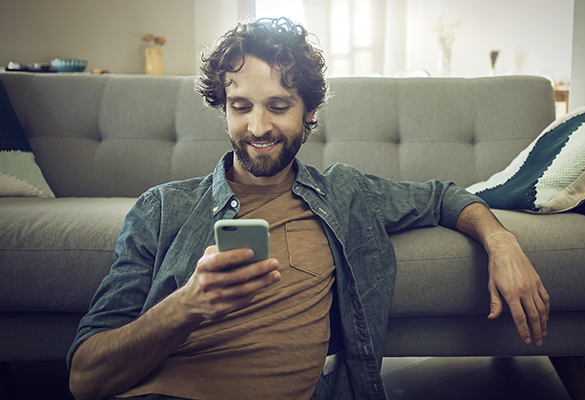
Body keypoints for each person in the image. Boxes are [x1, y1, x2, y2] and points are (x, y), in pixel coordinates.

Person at [67, 17, 549, 400]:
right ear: (223, 107)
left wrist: (502, 242)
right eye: (240, 106)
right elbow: (85, 378)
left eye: (278, 106)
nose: (257, 126)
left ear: (309, 112)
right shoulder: (162, 208)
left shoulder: (346, 194)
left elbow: (445, 196)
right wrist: (186, 307)